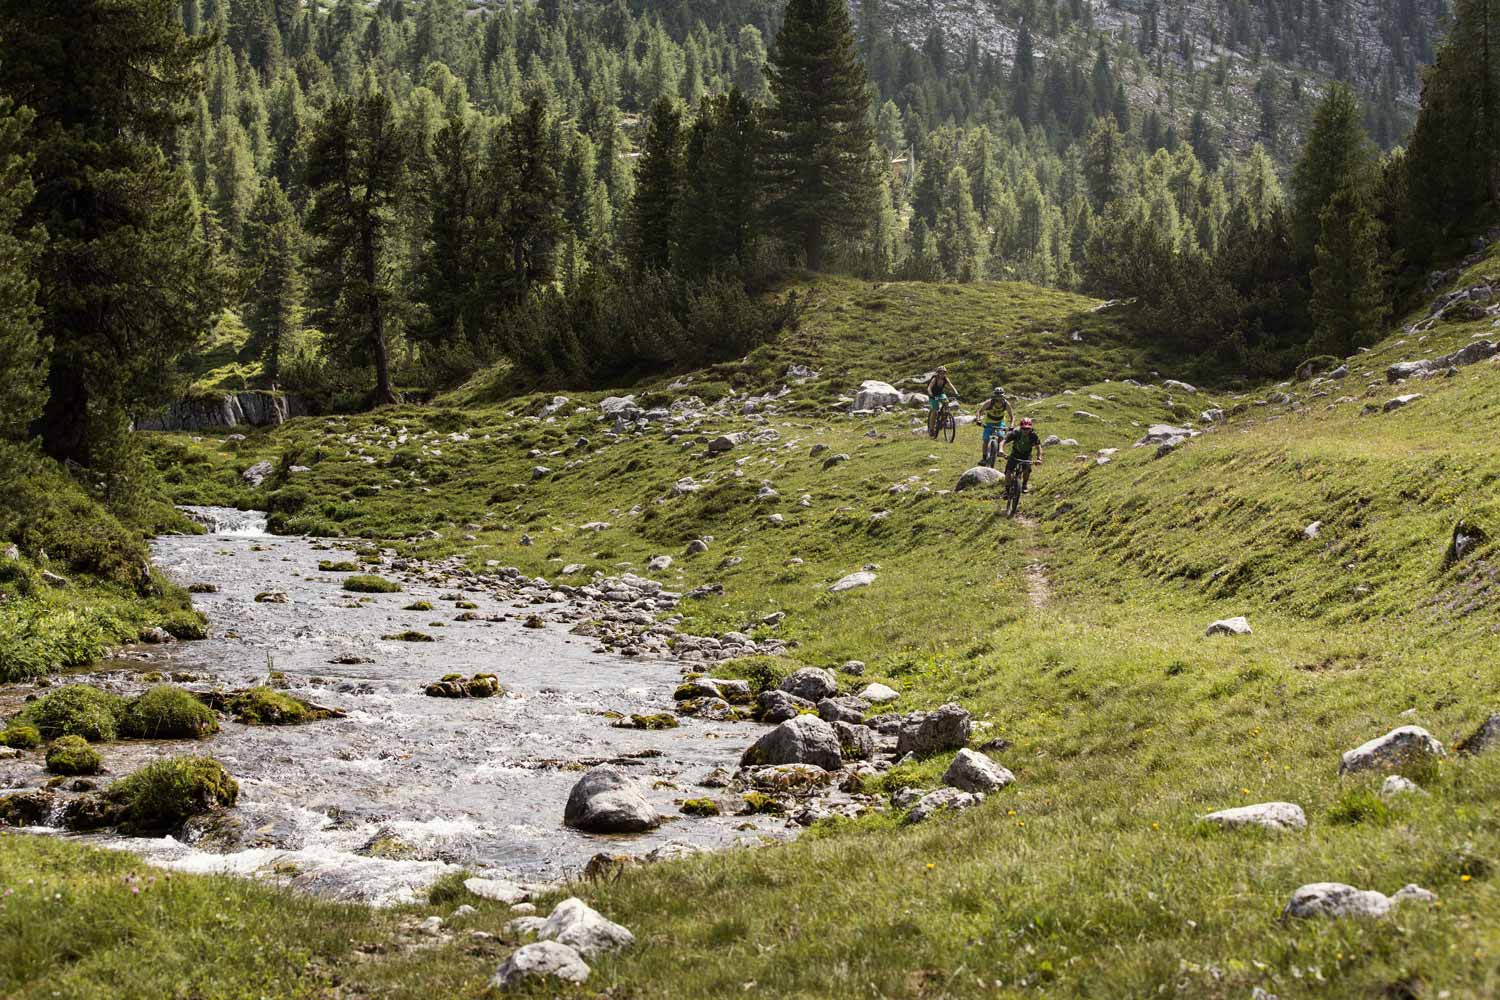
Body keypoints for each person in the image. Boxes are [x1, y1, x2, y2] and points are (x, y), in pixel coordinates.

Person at [974, 386, 1015, 465]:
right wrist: (978, 420)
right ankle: (984, 458)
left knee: (1002, 437)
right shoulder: (989, 402)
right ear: (994, 396)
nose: (999, 398)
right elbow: (979, 411)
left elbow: (1012, 416)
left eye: (1000, 396)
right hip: (989, 423)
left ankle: (999, 451)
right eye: (997, 396)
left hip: (1000, 422)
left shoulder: (1006, 404)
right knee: (986, 440)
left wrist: (1012, 425)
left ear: (1003, 396)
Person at [1002, 417, 1043, 491]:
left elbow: (1039, 448)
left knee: (1027, 470)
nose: (1025, 431)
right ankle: (1007, 490)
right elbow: (1003, 441)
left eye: (1028, 429)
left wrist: (1039, 458)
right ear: (1021, 428)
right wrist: (1001, 450)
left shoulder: (1033, 436)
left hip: (1026, 455)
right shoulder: (1016, 433)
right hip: (1015, 454)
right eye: (1024, 428)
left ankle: (1024, 484)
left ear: (1031, 428)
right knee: (1008, 472)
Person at [926, 366, 959, 437]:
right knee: (934, 411)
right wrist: (932, 395)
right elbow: (929, 388)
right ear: (938, 373)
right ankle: (931, 429)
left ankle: (945, 417)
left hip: (940, 394)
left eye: (943, 373)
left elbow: (951, 385)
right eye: (940, 372)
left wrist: (956, 392)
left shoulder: (945, 378)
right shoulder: (935, 379)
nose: (942, 374)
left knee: (946, 401)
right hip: (933, 395)